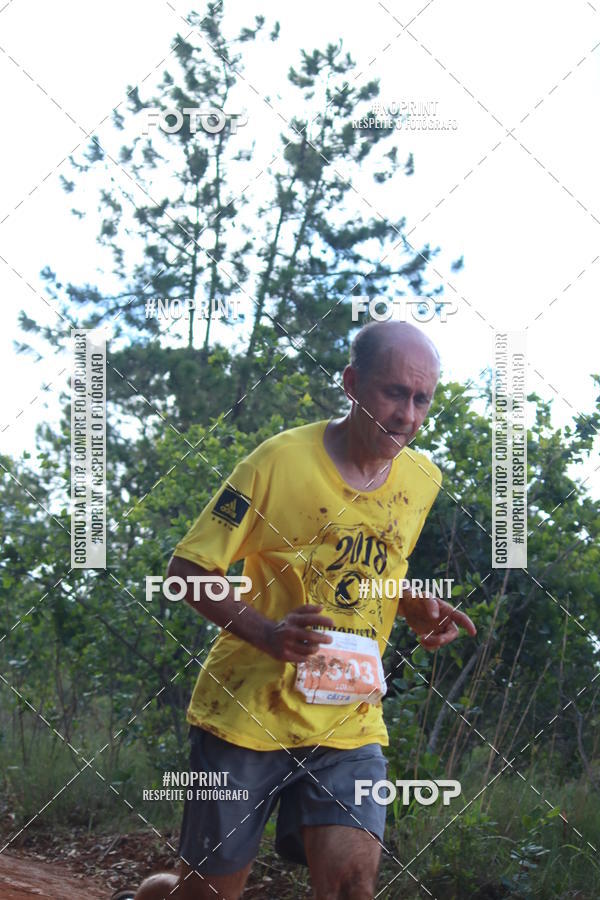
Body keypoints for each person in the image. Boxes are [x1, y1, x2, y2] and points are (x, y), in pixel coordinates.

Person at [130, 320, 477, 900]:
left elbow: (372, 565)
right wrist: (269, 634)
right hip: (247, 711)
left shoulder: (421, 480)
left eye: (422, 399)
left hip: (348, 719)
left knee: (352, 886)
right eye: (394, 393)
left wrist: (412, 604)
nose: (407, 415)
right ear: (351, 384)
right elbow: (187, 571)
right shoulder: (276, 463)